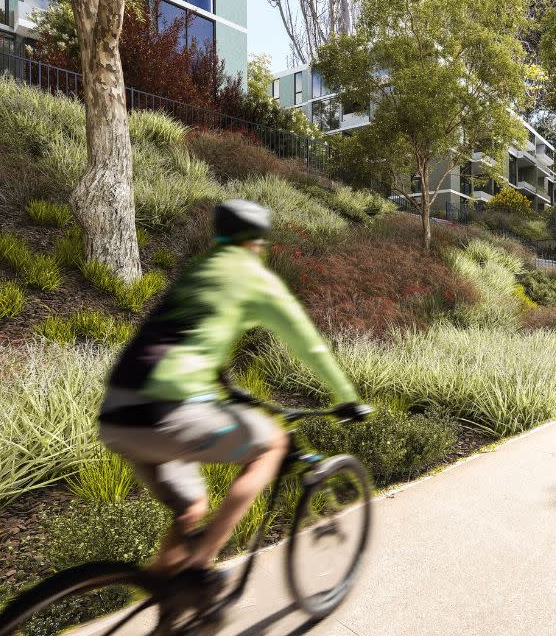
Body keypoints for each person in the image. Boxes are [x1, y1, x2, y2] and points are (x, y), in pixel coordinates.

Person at [98, 199, 368, 588]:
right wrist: (347, 397)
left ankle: (166, 597)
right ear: (257, 242)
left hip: (117, 414)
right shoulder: (256, 278)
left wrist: (225, 388)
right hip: (166, 411)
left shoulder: (199, 271)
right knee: (272, 446)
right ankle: (201, 566)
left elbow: (192, 334)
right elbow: (310, 347)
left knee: (191, 507)